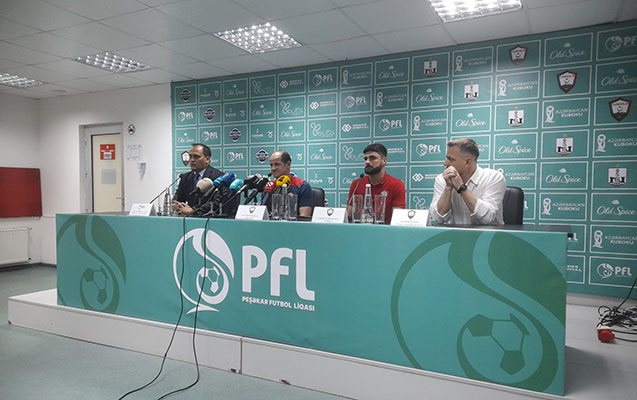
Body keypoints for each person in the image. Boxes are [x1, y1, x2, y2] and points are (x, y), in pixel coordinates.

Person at [429, 138, 506, 225]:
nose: (445, 163)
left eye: (451, 159)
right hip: (455, 233)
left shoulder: (494, 177)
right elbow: (438, 219)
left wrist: (461, 187)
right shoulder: (442, 179)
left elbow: (487, 218)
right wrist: (448, 188)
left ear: (467, 162)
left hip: (488, 233)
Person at [347, 143, 406, 224]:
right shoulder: (357, 183)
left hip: (386, 230)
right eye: (365, 159)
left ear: (384, 161)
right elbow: (349, 216)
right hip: (360, 230)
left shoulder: (396, 184)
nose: (367, 162)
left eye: (372, 158)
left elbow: (397, 220)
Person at [173, 143, 224, 216]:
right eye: (190, 156)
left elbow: (217, 202)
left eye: (196, 156)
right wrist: (178, 205)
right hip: (189, 220)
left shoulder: (218, 177)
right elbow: (178, 198)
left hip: (210, 219)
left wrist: (193, 210)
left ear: (207, 159)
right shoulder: (185, 178)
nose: (192, 160)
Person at [262, 150, 313, 217]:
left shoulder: (302, 186)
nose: (273, 168)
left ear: (288, 164)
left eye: (277, 164)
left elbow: (304, 218)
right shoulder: (269, 187)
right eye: (271, 165)